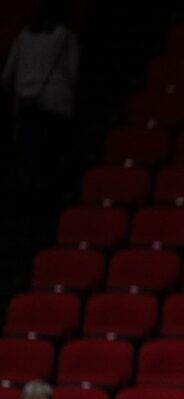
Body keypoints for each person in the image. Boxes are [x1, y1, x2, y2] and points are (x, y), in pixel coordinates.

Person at [2, 0, 79, 244]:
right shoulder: (65, 37)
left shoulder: (24, 37)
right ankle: (45, 222)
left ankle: (29, 223)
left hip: (27, 108)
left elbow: (7, 76)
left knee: (29, 166)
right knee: (49, 165)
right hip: (55, 109)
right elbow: (72, 73)